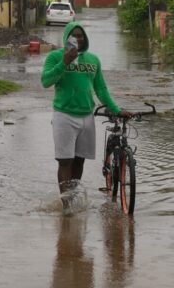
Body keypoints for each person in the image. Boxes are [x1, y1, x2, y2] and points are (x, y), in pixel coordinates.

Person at [41, 21, 131, 195]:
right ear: (67, 37)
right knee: (65, 161)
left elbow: (101, 89)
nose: (77, 39)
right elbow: (46, 81)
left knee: (79, 161)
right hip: (64, 116)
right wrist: (64, 62)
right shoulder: (54, 57)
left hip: (87, 117)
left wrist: (116, 109)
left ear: (85, 38)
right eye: (73, 35)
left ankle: (73, 197)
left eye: (80, 35)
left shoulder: (93, 59)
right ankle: (66, 205)